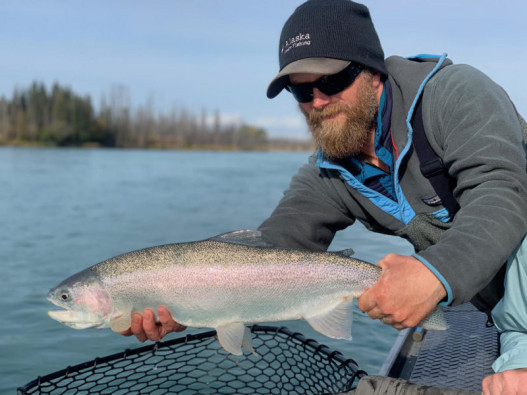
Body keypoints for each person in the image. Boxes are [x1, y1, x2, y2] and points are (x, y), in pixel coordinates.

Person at [120, 0, 527, 393]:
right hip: (506, 308)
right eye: (301, 92)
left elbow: (504, 192)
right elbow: (270, 251)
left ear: (372, 72)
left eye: (331, 81)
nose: (316, 101)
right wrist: (187, 301)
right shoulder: (328, 172)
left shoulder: (453, 94)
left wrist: (435, 273)